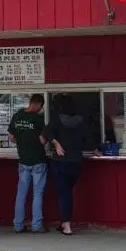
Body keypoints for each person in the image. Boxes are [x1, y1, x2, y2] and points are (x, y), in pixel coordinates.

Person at [45, 94, 100, 235]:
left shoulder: (56, 120)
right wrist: (96, 150)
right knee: (67, 192)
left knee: (64, 194)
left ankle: (67, 226)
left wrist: (56, 143)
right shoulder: (81, 121)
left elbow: (46, 133)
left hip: (60, 162)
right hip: (76, 162)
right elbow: (89, 139)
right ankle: (64, 223)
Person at [10, 93, 48, 233]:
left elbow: (11, 138)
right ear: (38, 104)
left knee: (21, 194)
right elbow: (43, 140)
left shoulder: (17, 116)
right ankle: (37, 225)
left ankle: (18, 225)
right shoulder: (39, 119)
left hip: (23, 160)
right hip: (38, 160)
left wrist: (23, 139)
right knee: (37, 193)